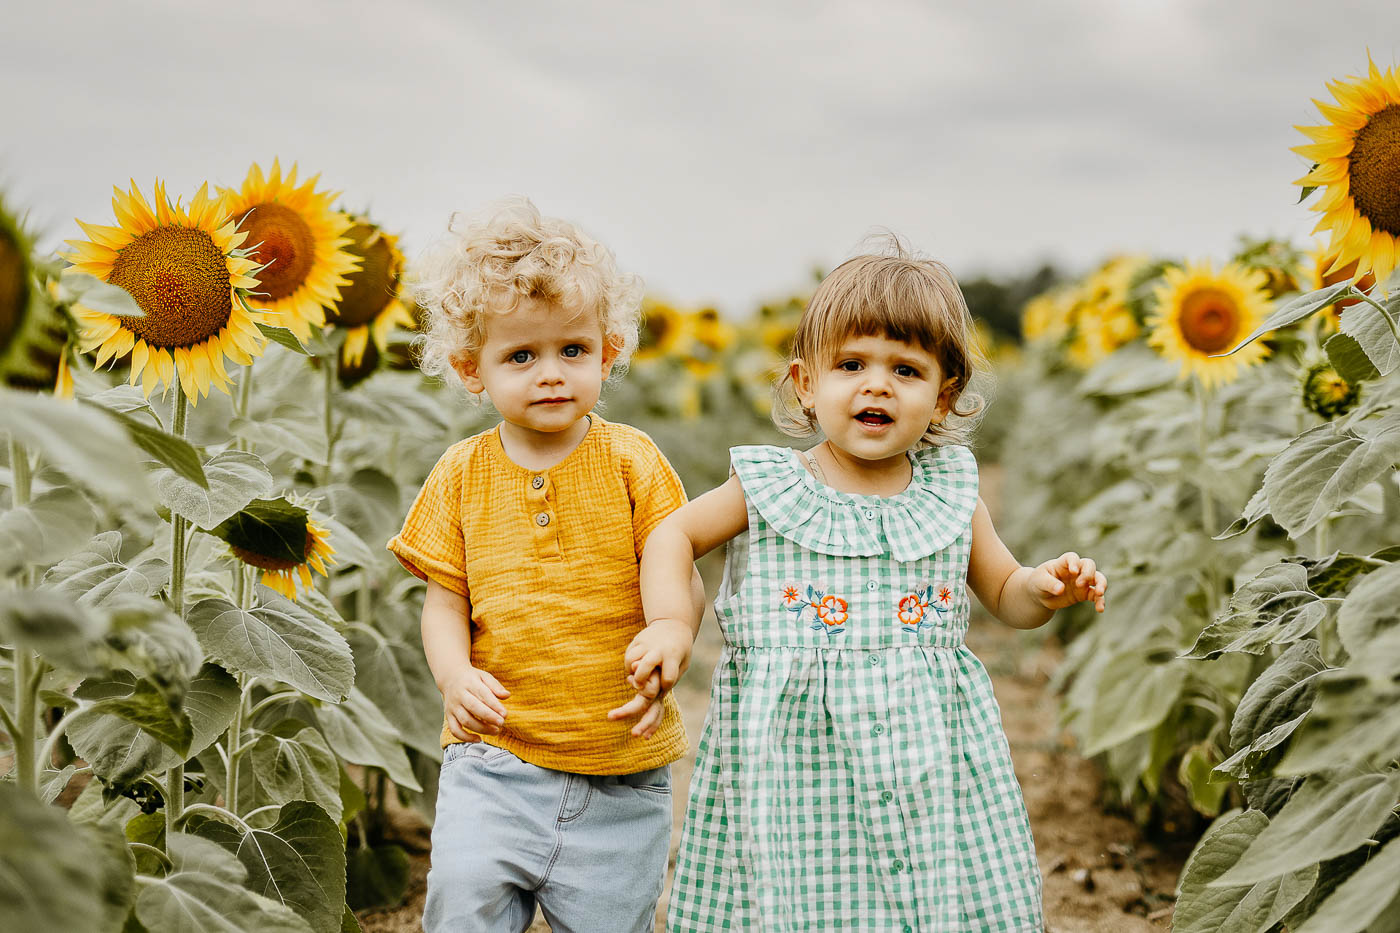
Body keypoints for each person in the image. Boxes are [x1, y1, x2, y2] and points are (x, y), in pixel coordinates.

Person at [610, 243, 1108, 931]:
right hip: (795, 762)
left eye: (906, 369)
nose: (877, 386)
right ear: (806, 383)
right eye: (851, 365)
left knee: (930, 890)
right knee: (803, 892)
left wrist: (1044, 588)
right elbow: (674, 535)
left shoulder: (951, 494)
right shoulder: (772, 487)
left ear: (944, 396)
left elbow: (1005, 592)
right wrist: (671, 623)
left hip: (926, 754)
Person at [388, 197, 702, 933]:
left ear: (608, 351)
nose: (551, 374)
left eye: (573, 350)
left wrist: (672, 630)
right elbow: (445, 601)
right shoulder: (460, 472)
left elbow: (677, 565)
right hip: (495, 755)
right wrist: (454, 676)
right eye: (521, 356)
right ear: (471, 369)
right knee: (463, 901)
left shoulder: (631, 460)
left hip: (620, 762)